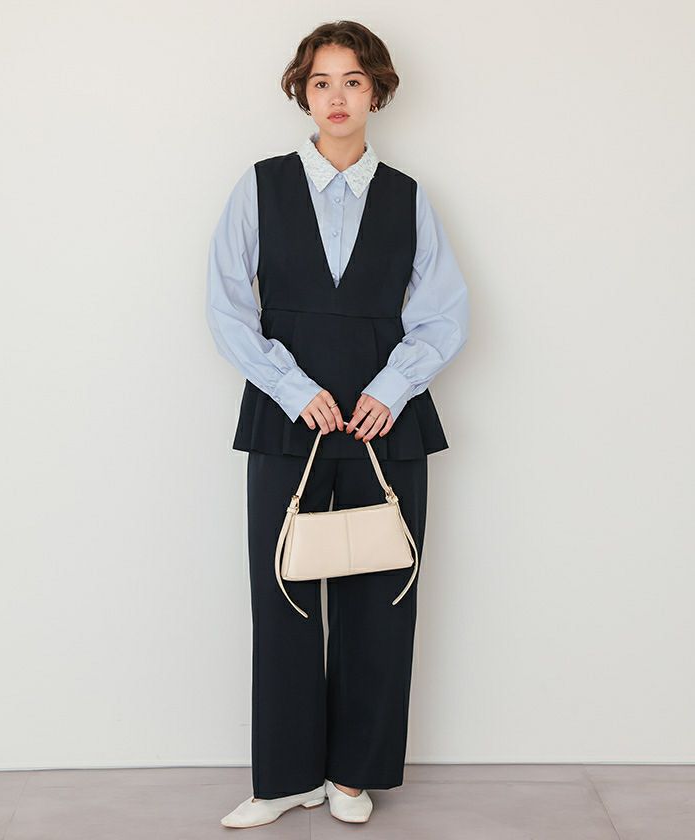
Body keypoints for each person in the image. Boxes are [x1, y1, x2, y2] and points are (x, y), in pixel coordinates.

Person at [206, 19, 469, 829]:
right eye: (322, 82)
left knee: (380, 597)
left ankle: (353, 775)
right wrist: (293, 389)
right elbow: (227, 308)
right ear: (303, 92)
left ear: (377, 91)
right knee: (283, 594)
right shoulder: (259, 187)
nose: (337, 97)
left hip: (386, 425)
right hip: (289, 421)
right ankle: (286, 778)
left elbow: (444, 314)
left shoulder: (409, 197)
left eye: (353, 80)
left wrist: (392, 388)